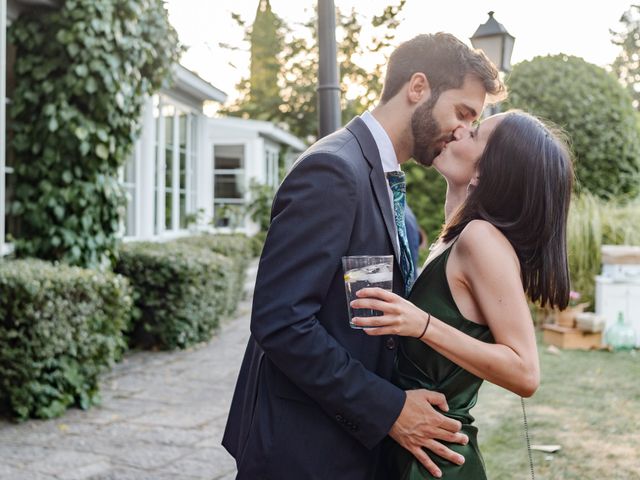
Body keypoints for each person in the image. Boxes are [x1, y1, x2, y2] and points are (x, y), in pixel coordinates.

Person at [222, 33, 506, 480]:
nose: (463, 131)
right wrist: (390, 410)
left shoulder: (392, 189)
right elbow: (282, 322)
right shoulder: (334, 168)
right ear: (418, 87)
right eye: (463, 112)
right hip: (303, 452)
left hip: (350, 447)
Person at [351, 111, 574, 479]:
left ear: (487, 171)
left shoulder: (481, 239)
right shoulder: (460, 232)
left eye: (473, 133)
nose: (457, 131)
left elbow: (526, 373)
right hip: (413, 445)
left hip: (435, 461)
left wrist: (422, 324)